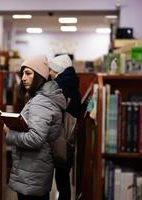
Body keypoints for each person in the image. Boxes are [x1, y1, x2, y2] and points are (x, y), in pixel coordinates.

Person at [4, 54, 68, 200]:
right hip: (32, 172)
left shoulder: (41, 102)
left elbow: (35, 139)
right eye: (22, 74)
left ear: (39, 76)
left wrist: (10, 133)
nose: (23, 78)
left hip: (32, 173)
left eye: (28, 73)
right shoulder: (40, 98)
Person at [47, 54, 81, 200]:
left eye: (51, 69)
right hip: (69, 137)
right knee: (64, 176)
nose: (49, 73)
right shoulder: (73, 84)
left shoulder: (58, 87)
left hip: (60, 136)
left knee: (61, 178)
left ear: (58, 70)